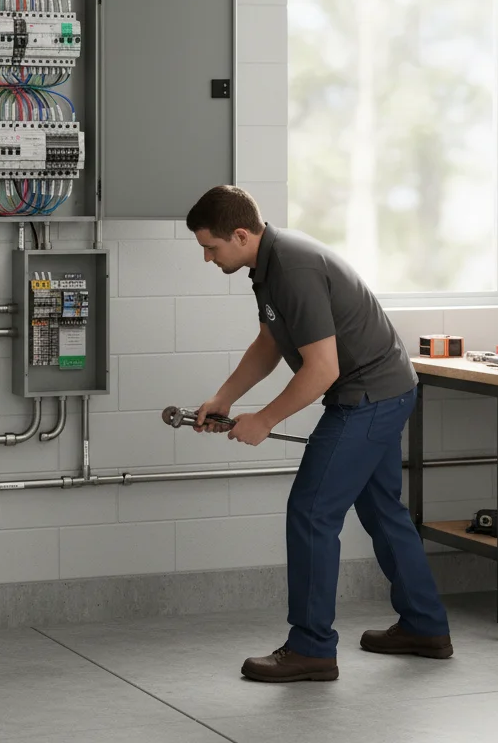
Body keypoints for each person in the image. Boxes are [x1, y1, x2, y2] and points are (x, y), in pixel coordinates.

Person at [186, 185, 452, 684]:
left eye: (211, 247)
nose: (206, 257)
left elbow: (323, 368)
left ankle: (311, 648)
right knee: (381, 510)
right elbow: (271, 339)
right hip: (383, 389)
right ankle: (425, 626)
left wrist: (263, 420)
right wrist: (225, 398)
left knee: (311, 512)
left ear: (241, 234)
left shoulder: (292, 267)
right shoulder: (269, 264)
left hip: (369, 395)